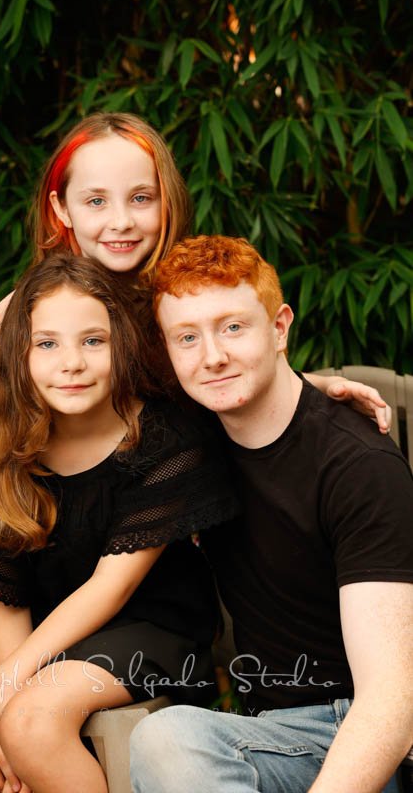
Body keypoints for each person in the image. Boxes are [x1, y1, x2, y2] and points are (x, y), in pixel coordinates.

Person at [0, 111, 392, 671]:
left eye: (141, 198)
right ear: (60, 209)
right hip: (49, 563)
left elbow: (226, 373)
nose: (121, 221)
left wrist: (313, 385)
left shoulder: (173, 299)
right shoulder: (22, 317)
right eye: (95, 202)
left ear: (168, 202)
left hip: (150, 568)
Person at [0, 254, 239, 792]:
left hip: (151, 630)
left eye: (93, 341)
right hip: (42, 649)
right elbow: (5, 596)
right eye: (46, 344)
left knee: (29, 723)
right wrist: (7, 682)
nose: (71, 362)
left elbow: (109, 590)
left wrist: (10, 683)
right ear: (17, 356)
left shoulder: (162, 440)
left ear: (125, 346)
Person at [129, 234, 413, 793]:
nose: (212, 355)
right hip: (271, 735)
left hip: (369, 734)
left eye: (233, 327)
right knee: (166, 739)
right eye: (187, 337)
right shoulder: (189, 446)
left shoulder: (357, 465)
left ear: (279, 328)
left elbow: (392, 702)